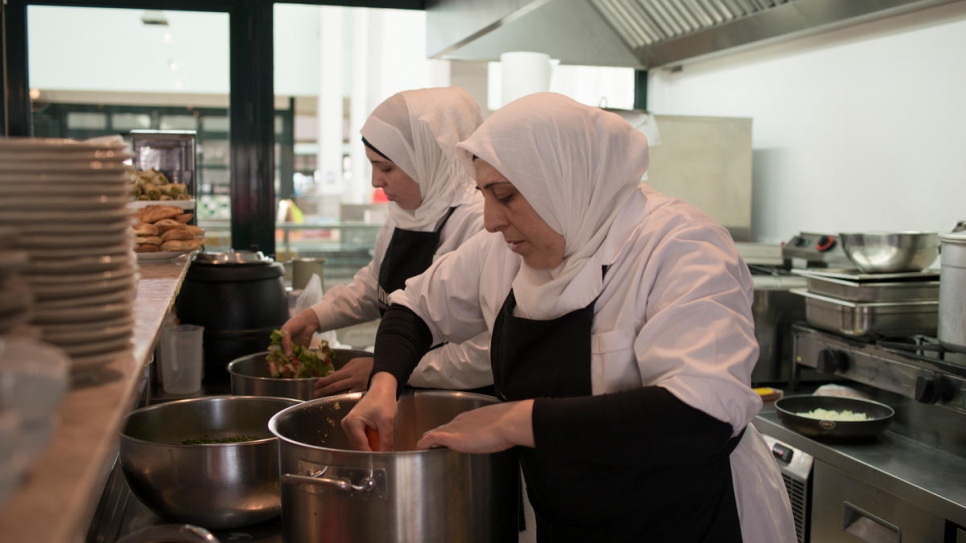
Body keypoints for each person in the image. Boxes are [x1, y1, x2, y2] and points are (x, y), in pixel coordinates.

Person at [341, 92, 798, 541]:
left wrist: (510, 421)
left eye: (505, 195)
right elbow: (414, 308)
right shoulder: (506, 248)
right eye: (484, 195)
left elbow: (701, 413)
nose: (490, 221)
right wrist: (385, 386)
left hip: (685, 514)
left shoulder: (680, 247)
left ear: (561, 181)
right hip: (570, 513)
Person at [280, 86, 493, 397]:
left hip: (461, 401)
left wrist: (389, 370)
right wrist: (317, 316)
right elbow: (376, 286)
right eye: (372, 165)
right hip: (400, 390)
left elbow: (486, 349)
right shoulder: (406, 212)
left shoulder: (481, 223)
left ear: (429, 158)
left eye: (386, 167)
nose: (375, 181)